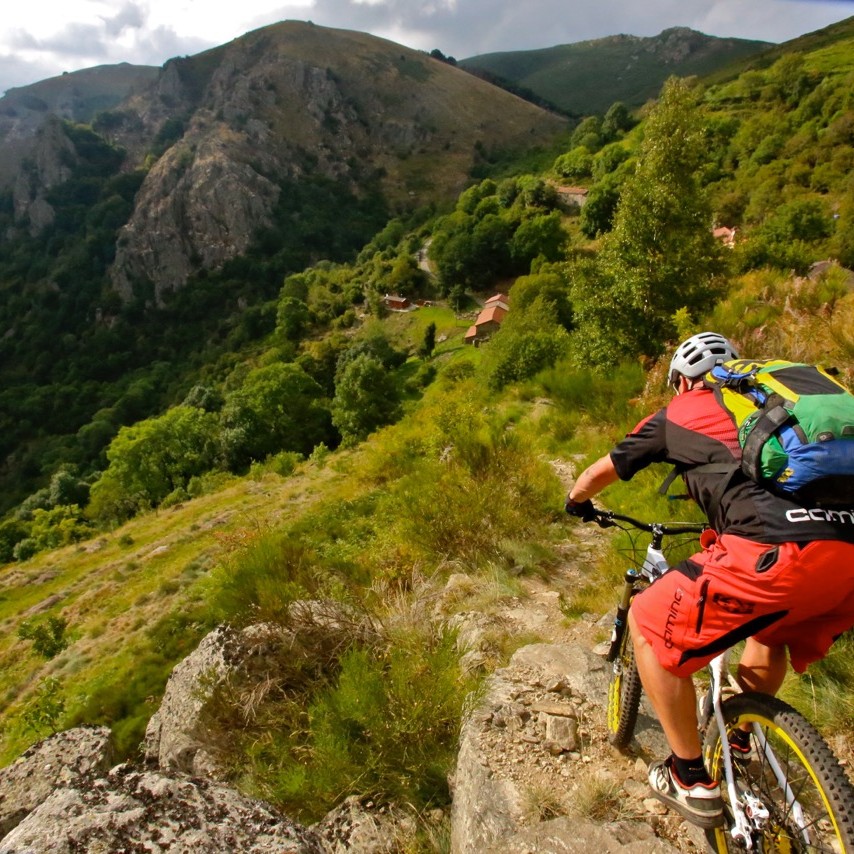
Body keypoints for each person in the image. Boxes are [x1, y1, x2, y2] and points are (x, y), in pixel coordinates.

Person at [565, 331, 854, 829]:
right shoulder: (771, 397)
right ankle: (741, 735)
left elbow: (601, 472)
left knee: (647, 621)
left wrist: (576, 501)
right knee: (771, 628)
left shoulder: (679, 412)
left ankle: (690, 777)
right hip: (844, 554)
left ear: (681, 381)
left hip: (771, 553)